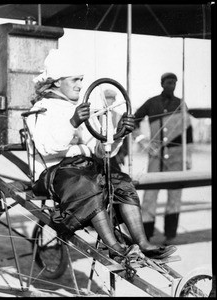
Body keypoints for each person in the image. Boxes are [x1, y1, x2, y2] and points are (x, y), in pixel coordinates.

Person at [26, 49, 176, 262]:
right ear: (58, 82)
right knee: (88, 184)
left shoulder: (81, 109)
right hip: (53, 173)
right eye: (75, 80)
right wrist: (73, 123)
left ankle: (142, 242)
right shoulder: (42, 109)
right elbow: (48, 147)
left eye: (81, 80)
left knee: (121, 181)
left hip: (82, 169)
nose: (80, 85)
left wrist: (119, 134)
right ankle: (114, 246)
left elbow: (99, 150)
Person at [134, 72, 193, 245]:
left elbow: (188, 132)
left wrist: (188, 156)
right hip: (155, 156)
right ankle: (146, 235)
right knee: (150, 197)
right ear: (162, 84)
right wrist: (142, 141)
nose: (171, 86)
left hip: (176, 157)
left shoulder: (181, 104)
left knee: (175, 197)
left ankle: (170, 235)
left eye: (174, 83)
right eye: (168, 83)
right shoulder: (151, 103)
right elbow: (133, 120)